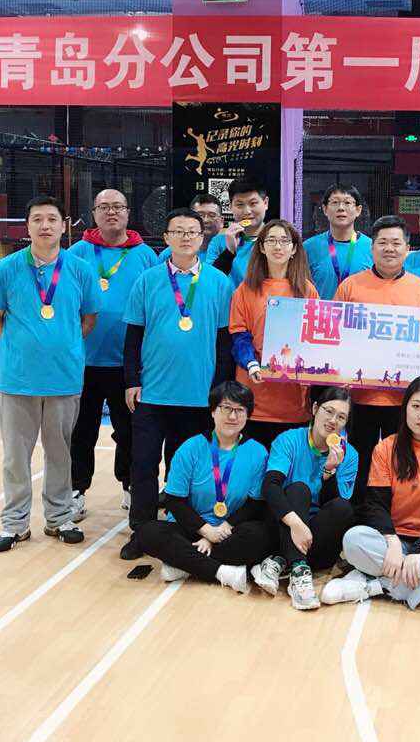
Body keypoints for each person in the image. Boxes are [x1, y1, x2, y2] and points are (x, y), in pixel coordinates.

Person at [119, 208, 235, 561]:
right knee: (143, 465)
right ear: (166, 237)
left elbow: (224, 343)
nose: (186, 237)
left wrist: (219, 392)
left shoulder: (219, 282)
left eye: (192, 232)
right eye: (178, 231)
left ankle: (177, 529)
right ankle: (141, 531)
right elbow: (133, 337)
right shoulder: (147, 280)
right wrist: (131, 380)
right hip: (153, 394)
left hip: (199, 397)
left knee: (182, 470)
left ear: (202, 239)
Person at [0, 196, 100, 552]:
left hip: (64, 379)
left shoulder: (80, 269)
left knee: (60, 453)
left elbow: (89, 319)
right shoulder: (6, 268)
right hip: (18, 380)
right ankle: (15, 524)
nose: (45, 225)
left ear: (64, 226)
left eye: (52, 219)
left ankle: (59, 517)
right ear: (28, 226)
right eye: (37, 219)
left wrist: (62, 346)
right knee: (15, 457)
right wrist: (23, 348)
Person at [322, 376, 420, 609]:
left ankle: (376, 585)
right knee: (353, 539)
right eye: (416, 406)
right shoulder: (386, 448)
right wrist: (393, 542)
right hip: (390, 542)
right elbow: (375, 504)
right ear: (405, 409)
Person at [64, 189, 157, 519]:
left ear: (128, 213)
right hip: (83, 363)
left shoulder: (146, 256)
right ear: (94, 213)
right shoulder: (77, 253)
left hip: (128, 366)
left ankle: (130, 486)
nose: (111, 212)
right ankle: (76, 489)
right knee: (81, 431)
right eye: (104, 207)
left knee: (130, 432)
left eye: (118, 206)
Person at [334, 215, 420, 499]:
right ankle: (359, 511)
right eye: (382, 242)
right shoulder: (350, 287)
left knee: (402, 461)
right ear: (372, 248)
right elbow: (336, 338)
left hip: (405, 399)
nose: (389, 249)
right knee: (360, 459)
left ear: (408, 248)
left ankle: (398, 510)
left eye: (396, 243)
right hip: (360, 397)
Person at [134, 382, 272, 593]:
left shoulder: (258, 452)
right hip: (190, 528)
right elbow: (175, 501)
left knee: (260, 535)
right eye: (226, 408)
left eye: (240, 410)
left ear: (248, 415)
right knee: (148, 532)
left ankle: (184, 564)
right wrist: (206, 531)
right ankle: (221, 572)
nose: (232, 416)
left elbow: (254, 504)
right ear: (213, 411)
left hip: (230, 530)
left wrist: (216, 535)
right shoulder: (191, 448)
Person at [253, 388, 359, 610]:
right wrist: (296, 524)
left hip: (316, 539)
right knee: (299, 489)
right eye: (328, 411)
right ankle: (299, 571)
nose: (333, 420)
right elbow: (270, 486)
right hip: (284, 524)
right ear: (315, 408)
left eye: (341, 417)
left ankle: (281, 560)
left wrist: (330, 471)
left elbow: (336, 507)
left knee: (343, 508)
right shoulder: (289, 440)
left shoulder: (349, 454)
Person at [230, 219, 319, 448]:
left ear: (294, 248)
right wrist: (251, 363)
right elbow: (239, 335)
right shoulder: (245, 290)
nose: (278, 246)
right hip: (253, 398)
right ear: (261, 247)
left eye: (284, 241)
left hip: (293, 402)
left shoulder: (307, 290)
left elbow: (314, 339)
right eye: (271, 240)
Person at [303, 183, 373, 299]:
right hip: (320, 310)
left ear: (358, 210)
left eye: (347, 203)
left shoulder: (372, 248)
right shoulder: (309, 247)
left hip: (358, 311)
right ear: (325, 209)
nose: (341, 208)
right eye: (335, 202)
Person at [209, 178, 271, 287]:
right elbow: (210, 282)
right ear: (230, 206)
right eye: (240, 205)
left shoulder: (277, 241)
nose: (247, 211)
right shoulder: (218, 242)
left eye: (253, 203)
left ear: (265, 203)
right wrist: (229, 251)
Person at [157, 194, 224, 264]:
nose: (205, 220)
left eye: (212, 215)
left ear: (222, 221)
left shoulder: (229, 250)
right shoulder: (169, 254)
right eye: (200, 215)